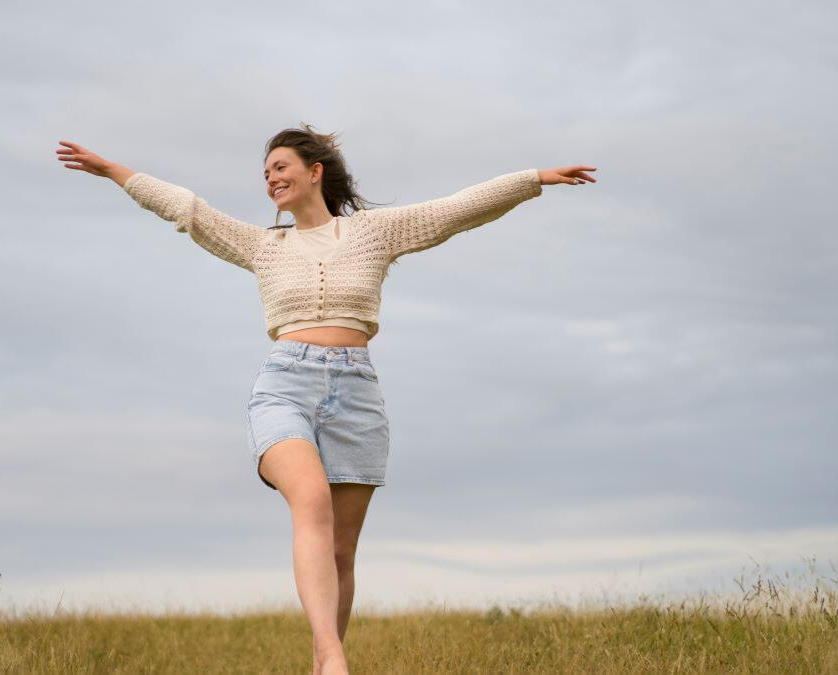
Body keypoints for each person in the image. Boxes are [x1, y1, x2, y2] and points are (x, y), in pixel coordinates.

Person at [55, 124, 596, 674]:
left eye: (281, 168)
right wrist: (115, 172)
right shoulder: (263, 245)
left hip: (357, 395)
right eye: (266, 173)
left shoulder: (373, 234)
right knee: (309, 501)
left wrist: (534, 179)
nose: (271, 179)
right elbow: (188, 211)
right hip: (285, 387)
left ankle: (321, 664)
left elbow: (455, 211)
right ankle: (334, 658)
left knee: (341, 552)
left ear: (315, 172)